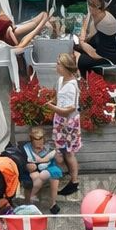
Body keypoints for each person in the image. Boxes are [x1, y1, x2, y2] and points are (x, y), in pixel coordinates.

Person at [46, 53, 82, 198]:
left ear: (66, 68)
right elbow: (59, 96)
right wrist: (53, 100)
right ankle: (69, 179)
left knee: (68, 153)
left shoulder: (71, 87)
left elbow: (69, 110)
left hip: (68, 123)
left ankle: (73, 181)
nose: (56, 66)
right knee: (64, 152)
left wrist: (50, 107)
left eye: (59, 64)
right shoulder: (61, 80)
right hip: (61, 123)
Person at [74, 0, 116, 74]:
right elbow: (87, 18)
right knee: (77, 48)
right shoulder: (99, 13)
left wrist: (82, 42)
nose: (89, 10)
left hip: (106, 58)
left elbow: (94, 54)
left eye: (91, 8)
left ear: (97, 8)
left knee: (78, 59)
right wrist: (83, 36)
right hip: (101, 49)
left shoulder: (104, 23)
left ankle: (84, 79)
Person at [22, 128, 61, 215]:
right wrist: (28, 166)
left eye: (41, 140)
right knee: (35, 177)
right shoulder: (26, 148)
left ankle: (53, 203)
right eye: (36, 140)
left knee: (54, 176)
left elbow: (58, 160)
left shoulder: (49, 147)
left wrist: (58, 157)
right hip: (34, 170)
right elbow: (24, 163)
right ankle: (30, 201)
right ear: (32, 140)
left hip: (48, 168)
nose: (39, 143)